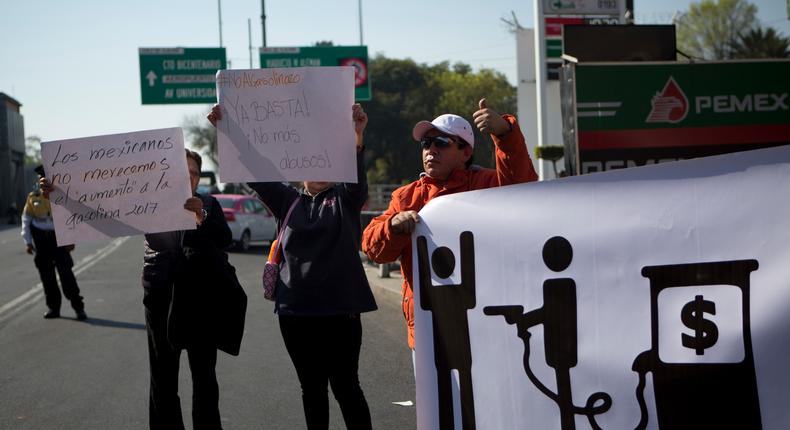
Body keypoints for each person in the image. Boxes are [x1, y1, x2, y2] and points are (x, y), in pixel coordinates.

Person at [208, 103, 377, 430]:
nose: (317, 165)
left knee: (345, 387)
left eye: (325, 158)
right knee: (311, 389)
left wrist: (357, 136)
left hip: (341, 313)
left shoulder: (345, 199)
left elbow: (357, 183)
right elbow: (255, 171)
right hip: (296, 314)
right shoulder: (288, 201)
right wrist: (226, 131)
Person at [361, 99, 538, 354]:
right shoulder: (405, 197)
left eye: (441, 143)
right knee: (436, 396)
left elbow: (522, 188)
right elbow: (374, 250)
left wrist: (505, 133)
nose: (431, 149)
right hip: (427, 328)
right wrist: (392, 226)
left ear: (466, 153)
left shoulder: (488, 185)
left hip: (486, 324)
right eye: (426, 143)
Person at [23, 165, 87, 320]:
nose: (43, 182)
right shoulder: (33, 197)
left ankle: (78, 308)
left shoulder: (62, 196)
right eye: (41, 179)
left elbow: (71, 218)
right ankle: (53, 308)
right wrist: (27, 241)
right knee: (47, 276)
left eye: (46, 179)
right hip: (41, 240)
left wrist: (71, 239)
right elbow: (26, 219)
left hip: (59, 238)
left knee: (66, 275)